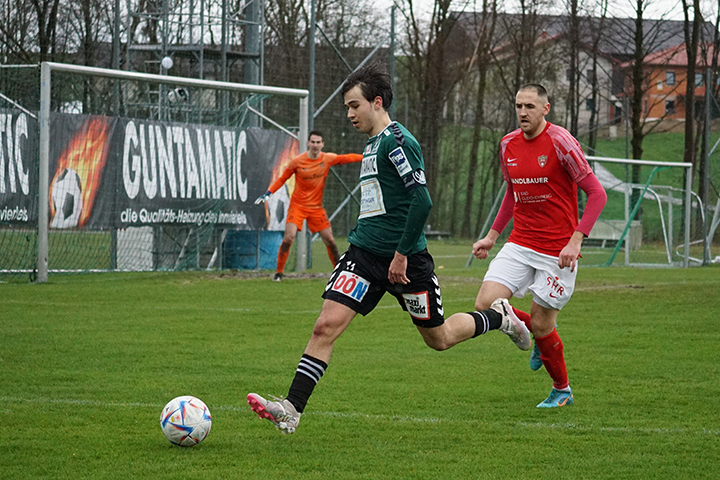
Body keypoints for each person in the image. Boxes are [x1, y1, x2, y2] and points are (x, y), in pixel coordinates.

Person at [247, 63, 531, 434]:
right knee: (324, 326)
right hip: (363, 254)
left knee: (439, 338)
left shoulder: (398, 142)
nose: (349, 114)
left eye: (354, 106)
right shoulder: (372, 144)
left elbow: (422, 201)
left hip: (406, 260)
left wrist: (401, 254)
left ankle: (500, 318)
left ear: (376, 102)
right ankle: (291, 408)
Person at [458, 83, 607, 408]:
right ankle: (536, 334)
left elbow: (597, 194)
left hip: (558, 251)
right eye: (518, 106)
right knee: (485, 304)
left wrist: (575, 240)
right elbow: (513, 195)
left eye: (529, 106)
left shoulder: (561, 142)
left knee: (542, 325)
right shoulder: (507, 144)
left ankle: (561, 389)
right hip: (520, 242)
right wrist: (492, 236)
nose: (523, 112)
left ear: (545, 109)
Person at [255, 130, 363, 281]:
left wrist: (366, 158)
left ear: (322, 144)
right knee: (288, 238)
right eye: (313, 142)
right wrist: (268, 193)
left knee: (330, 241)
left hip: (316, 209)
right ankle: (279, 273)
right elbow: (282, 178)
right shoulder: (297, 161)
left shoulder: (327, 158)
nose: (315, 145)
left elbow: (346, 158)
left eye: (318, 142)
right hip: (297, 206)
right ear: (308, 143)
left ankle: (338, 272)